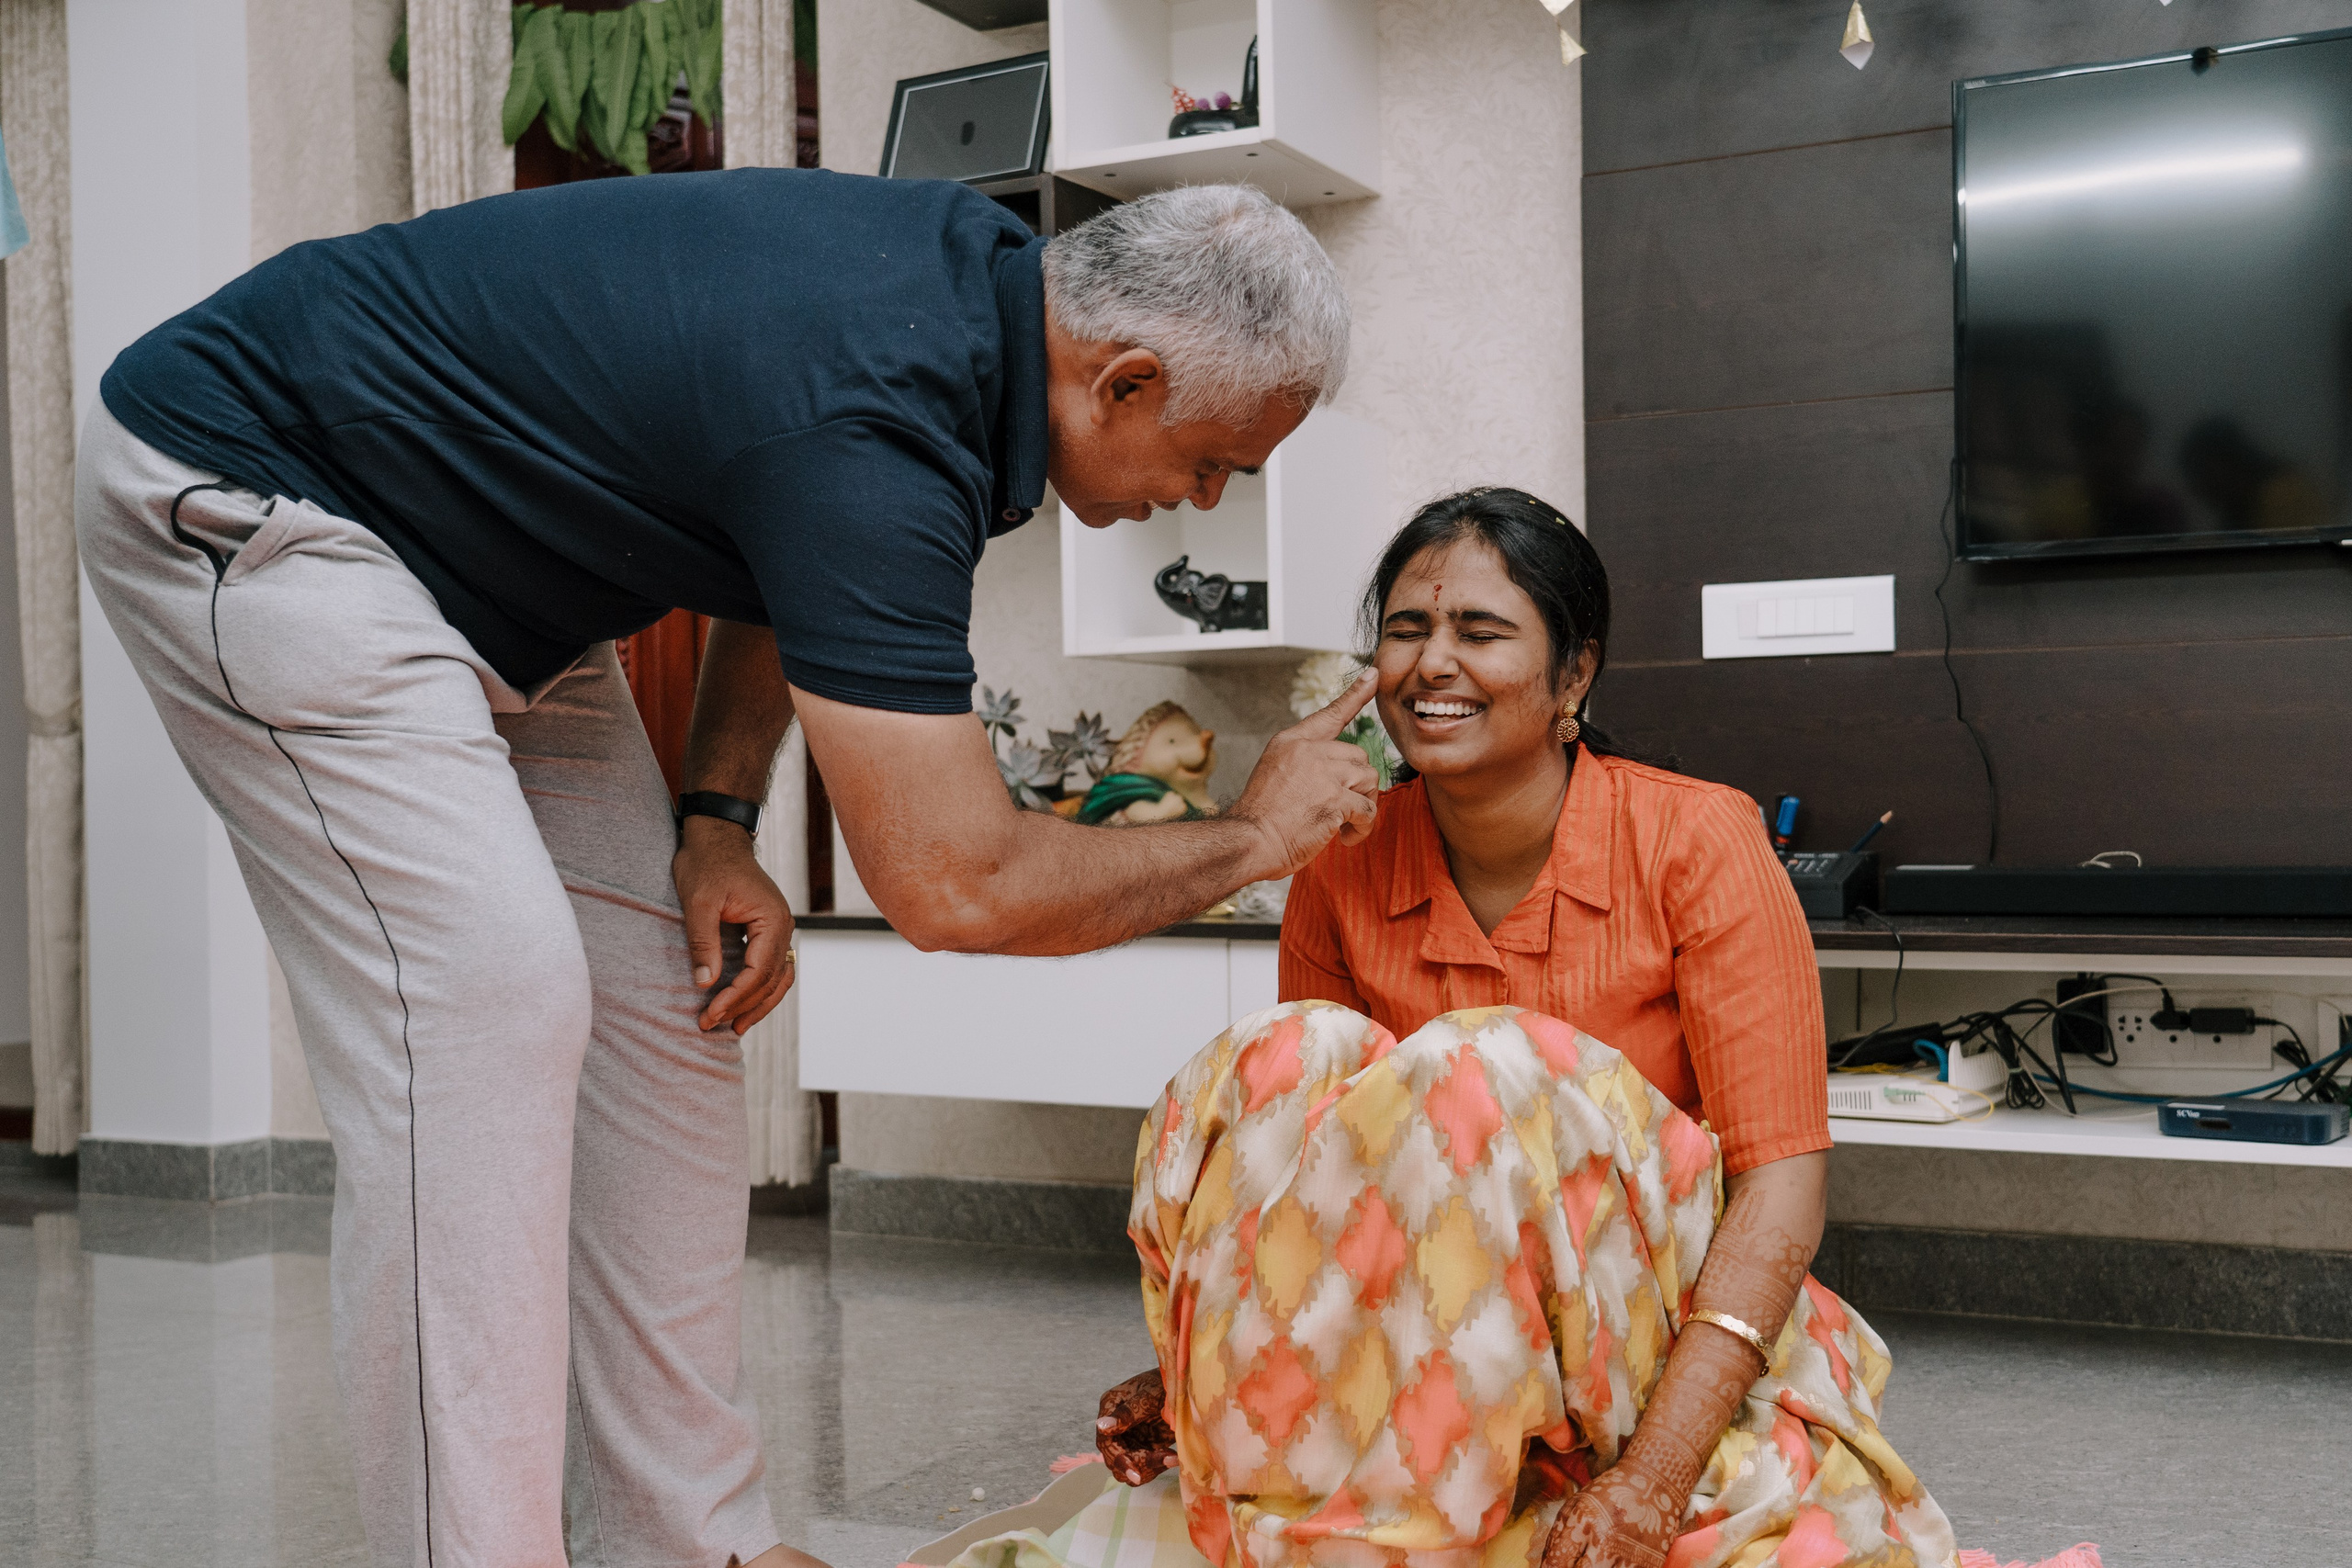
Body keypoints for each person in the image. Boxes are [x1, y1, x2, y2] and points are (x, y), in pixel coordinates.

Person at [76, 174, 1383, 1568]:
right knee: (485, 1000)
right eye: (1212, 461)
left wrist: (715, 817)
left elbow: (789, 554)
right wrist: (1253, 836)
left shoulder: (976, 307)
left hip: (498, 574)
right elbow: (958, 884)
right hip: (260, 495)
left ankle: (690, 1543)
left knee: (667, 988)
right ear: (1124, 380)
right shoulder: (881, 408)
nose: (1198, 500)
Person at [1086, 490, 1958, 1568]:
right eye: (1406, 631)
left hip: (1641, 1313)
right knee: (1281, 1051)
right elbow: (1307, 1180)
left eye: (1479, 632)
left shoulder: (1696, 838)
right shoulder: (1340, 857)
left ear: (1574, 675)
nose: (1430, 664)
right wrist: (1196, 1367)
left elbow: (1782, 1182)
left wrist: (1653, 1476)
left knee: (1476, 1060)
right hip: (1421, 1324)